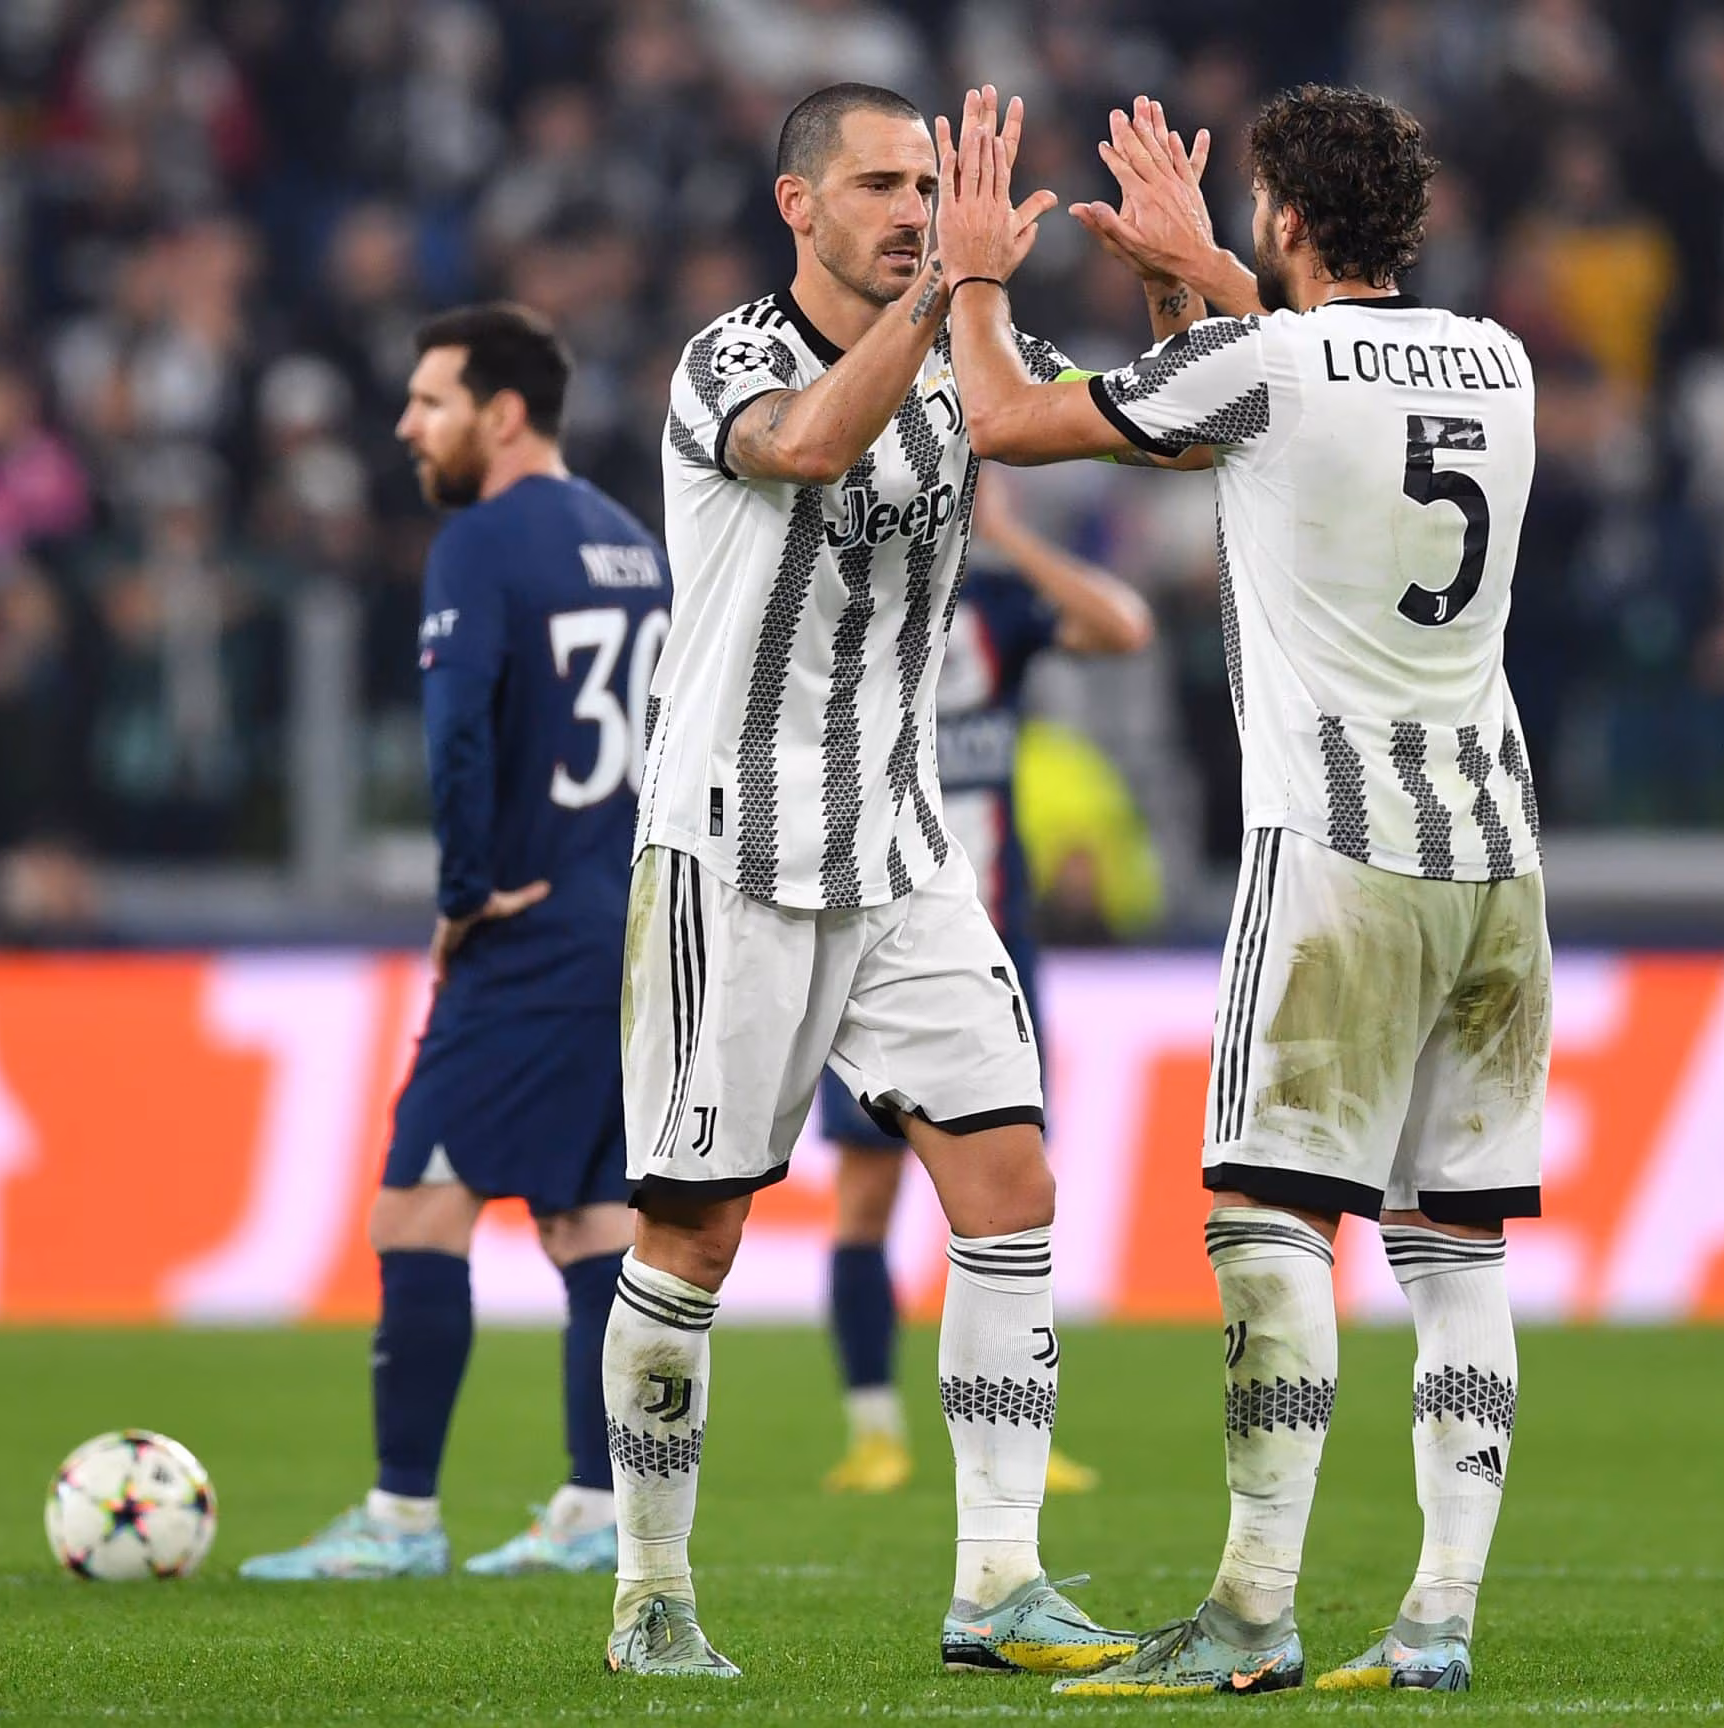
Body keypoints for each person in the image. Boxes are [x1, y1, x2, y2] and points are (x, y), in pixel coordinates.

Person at [941, 86, 1550, 1695]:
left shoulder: (1268, 364)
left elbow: (1005, 420)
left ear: (1282, 218)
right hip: (1498, 856)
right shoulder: (1499, 360)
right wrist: (1195, 281)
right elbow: (1286, 402)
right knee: (1455, 1255)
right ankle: (1437, 1622)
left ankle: (1255, 1607)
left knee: (1269, 1222)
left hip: (1341, 856)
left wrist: (978, 276)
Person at [599, 82, 1175, 1681]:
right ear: (799, 205)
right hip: (734, 849)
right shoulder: (727, 359)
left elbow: (1169, 428)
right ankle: (651, 1592)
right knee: (694, 1236)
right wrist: (949, 298)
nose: (915, 209)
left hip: (907, 850)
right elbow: (804, 445)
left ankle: (1000, 1582)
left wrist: (1184, 288)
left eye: (931, 184)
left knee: (1011, 1189)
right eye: (880, 185)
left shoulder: (971, 348)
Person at [240, 303, 671, 1581]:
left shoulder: (480, 541)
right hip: (629, 922)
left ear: (502, 412)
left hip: (528, 930)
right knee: (590, 1218)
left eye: (429, 402)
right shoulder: (632, 542)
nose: (405, 426)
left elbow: (457, 731)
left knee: (417, 1207)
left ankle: (401, 1519)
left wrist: (464, 890)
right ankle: (595, 1508)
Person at [817, 476, 1152, 1497]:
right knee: (867, 1195)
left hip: (997, 948)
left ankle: (1021, 1427)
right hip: (876, 945)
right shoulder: (851, 600)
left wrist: (1007, 536)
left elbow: (1124, 628)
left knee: (1011, 1193)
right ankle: (874, 1430)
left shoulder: (1001, 607)